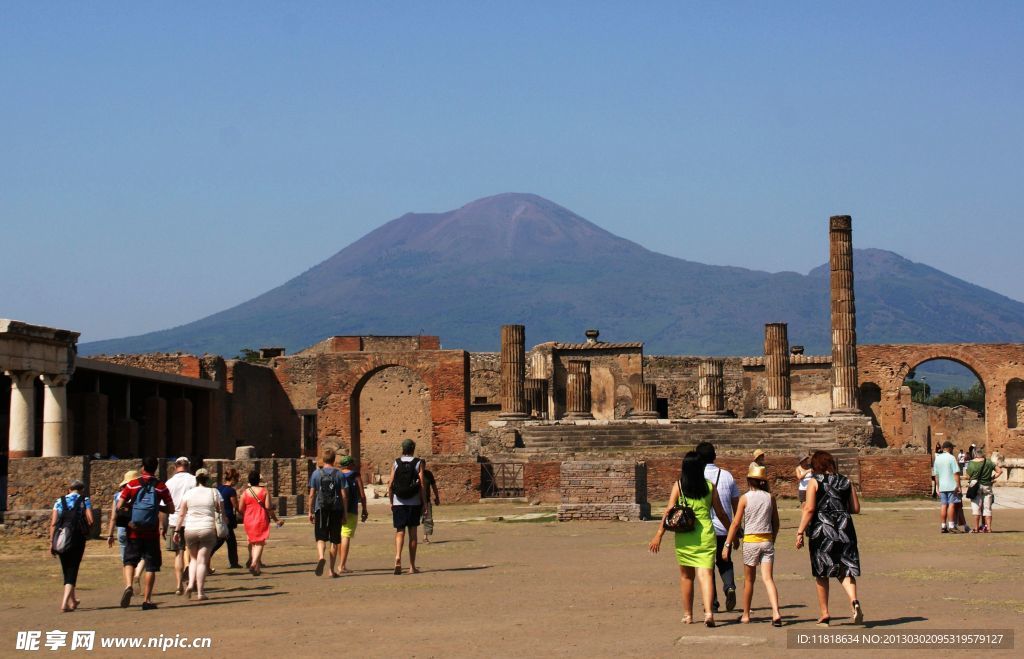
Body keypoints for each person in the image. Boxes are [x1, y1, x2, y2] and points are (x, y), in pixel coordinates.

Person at [649, 450, 733, 627]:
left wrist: (659, 535)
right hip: (705, 535)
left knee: (687, 577)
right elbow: (721, 513)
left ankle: (688, 615)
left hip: (685, 536)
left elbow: (668, 512)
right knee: (706, 575)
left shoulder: (679, 486)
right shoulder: (710, 487)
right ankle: (709, 613)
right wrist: (733, 532)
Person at [795, 451, 863, 627]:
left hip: (822, 529)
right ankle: (854, 600)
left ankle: (825, 613)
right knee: (845, 568)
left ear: (816, 466)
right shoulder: (846, 481)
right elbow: (855, 508)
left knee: (822, 572)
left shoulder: (814, 481)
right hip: (845, 528)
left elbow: (809, 508)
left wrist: (800, 531)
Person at [722, 465, 782, 626]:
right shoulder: (770, 498)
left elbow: (735, 523)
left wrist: (727, 544)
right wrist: (772, 538)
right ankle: (776, 612)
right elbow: (776, 523)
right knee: (768, 578)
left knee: (749, 580)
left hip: (751, 542)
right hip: (767, 540)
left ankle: (746, 614)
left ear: (749, 480)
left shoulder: (745, 498)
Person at [117, 456, 175, 610]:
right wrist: (157, 507)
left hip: (134, 530)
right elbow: (171, 509)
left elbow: (119, 505)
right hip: (151, 532)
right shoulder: (160, 486)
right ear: (155, 468)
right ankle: (147, 600)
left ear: (142, 468)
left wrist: (132, 508)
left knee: (129, 561)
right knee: (151, 566)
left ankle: (129, 585)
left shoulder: (133, 484)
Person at [695, 441, 739, 613]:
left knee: (707, 566)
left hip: (703, 530)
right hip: (724, 529)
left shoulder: (696, 478)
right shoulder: (727, 476)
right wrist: (735, 530)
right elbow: (736, 505)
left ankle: (712, 603)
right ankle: (729, 586)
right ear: (715, 456)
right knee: (725, 561)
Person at [172, 468, 223, 600]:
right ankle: (200, 592)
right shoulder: (214, 492)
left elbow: (182, 513)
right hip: (207, 528)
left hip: (190, 529)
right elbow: (221, 510)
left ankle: (190, 584)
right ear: (208, 479)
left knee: (193, 559)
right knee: (202, 562)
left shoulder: (189, 493)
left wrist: (177, 530)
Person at [49, 479, 94, 612]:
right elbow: (91, 520)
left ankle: (72, 601)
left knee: (66, 569)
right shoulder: (84, 500)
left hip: (61, 537)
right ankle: (64, 603)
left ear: (69, 489)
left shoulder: (59, 501)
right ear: (81, 490)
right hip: (77, 537)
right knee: (73, 569)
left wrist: (52, 542)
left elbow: (53, 523)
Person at [307, 447, 348, 578]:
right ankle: (331, 570)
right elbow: (344, 495)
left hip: (321, 508)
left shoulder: (316, 474)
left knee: (320, 537)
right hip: (336, 509)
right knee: (334, 541)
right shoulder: (339, 474)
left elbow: (312, 495)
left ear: (323, 459)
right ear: (334, 460)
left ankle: (320, 557)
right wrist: (345, 513)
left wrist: (310, 511)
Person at [388, 438, 426, 575]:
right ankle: (412, 566)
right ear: (413, 449)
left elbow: (390, 483)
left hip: (399, 502)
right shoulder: (418, 463)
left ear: (402, 449)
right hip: (414, 502)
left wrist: (391, 501)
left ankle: (398, 556)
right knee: (413, 534)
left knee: (400, 532)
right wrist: (424, 503)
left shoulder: (396, 463)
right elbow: (421, 484)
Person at [106, 470, 144, 594]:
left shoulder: (118, 496)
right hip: (136, 527)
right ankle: (137, 574)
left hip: (122, 528)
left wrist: (110, 534)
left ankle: (128, 585)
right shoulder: (140, 492)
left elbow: (113, 516)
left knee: (126, 560)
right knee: (144, 555)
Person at [239, 469, 283, 575]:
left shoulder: (245, 492)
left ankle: (257, 569)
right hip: (261, 517)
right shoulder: (264, 491)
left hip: (248, 518)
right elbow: (268, 507)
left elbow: (240, 508)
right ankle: (254, 563)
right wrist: (274, 511)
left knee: (253, 542)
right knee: (260, 542)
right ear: (259, 480)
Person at [164, 456, 196, 595]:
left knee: (178, 553)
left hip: (174, 520)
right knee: (191, 550)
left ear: (175, 466)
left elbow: (164, 506)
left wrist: (161, 525)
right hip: (191, 520)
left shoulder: (169, 483)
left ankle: (178, 586)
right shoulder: (194, 480)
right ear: (188, 466)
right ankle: (189, 574)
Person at [338, 455, 368, 573]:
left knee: (341, 536)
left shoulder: (337, 475)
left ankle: (342, 563)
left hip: (338, 509)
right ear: (350, 464)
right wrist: (364, 509)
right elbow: (362, 494)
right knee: (346, 536)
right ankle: (341, 565)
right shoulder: (355, 475)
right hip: (351, 509)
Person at [966, 447, 1003, 533]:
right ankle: (989, 528)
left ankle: (976, 528)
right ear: (982, 453)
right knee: (987, 508)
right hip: (987, 486)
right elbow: (1000, 471)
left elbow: (968, 476)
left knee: (976, 507)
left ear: (974, 454)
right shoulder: (989, 462)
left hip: (975, 486)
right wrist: (992, 478)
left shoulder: (971, 463)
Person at [211, 468, 242, 569]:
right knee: (221, 540)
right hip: (227, 517)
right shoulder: (231, 491)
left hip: (219, 517)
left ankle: (234, 562)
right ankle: (206, 556)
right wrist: (243, 513)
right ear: (233, 479)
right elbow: (236, 506)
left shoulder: (219, 488)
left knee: (231, 541)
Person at [932, 441, 962, 533]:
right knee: (951, 505)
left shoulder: (937, 459)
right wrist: (958, 485)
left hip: (942, 486)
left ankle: (943, 525)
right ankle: (952, 525)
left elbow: (936, 475)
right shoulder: (951, 458)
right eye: (952, 448)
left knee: (943, 505)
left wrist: (937, 487)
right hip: (951, 485)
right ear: (949, 448)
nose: (953, 449)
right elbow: (956, 473)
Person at [420, 461, 441, 543]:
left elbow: (434, 486)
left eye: (423, 465)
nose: (422, 467)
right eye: (421, 466)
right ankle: (411, 537)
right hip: (416, 500)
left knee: (428, 519)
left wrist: (437, 497)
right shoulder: (414, 474)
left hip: (427, 500)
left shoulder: (428, 474)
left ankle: (425, 537)